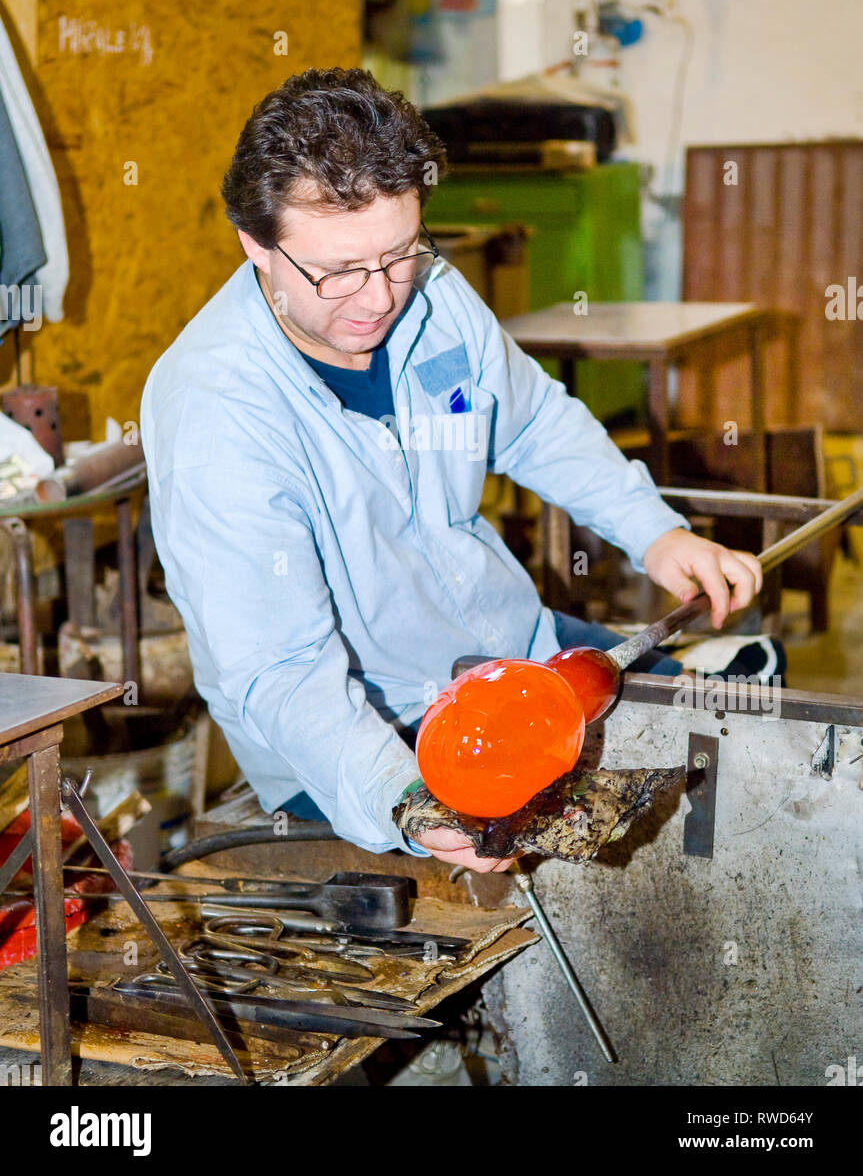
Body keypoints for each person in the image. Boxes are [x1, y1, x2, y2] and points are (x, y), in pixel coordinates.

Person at [141, 67, 777, 875]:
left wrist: (651, 534)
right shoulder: (216, 412)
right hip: (370, 727)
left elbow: (532, 422)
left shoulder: (431, 295)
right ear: (256, 244)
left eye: (400, 253)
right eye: (338, 271)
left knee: (727, 735)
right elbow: (282, 669)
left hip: (505, 648)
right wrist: (404, 797)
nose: (377, 298)